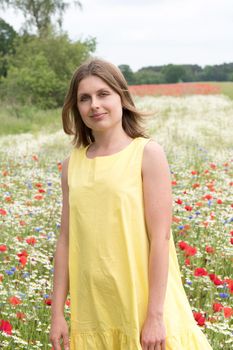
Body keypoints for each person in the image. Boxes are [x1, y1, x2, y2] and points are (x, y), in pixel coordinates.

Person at [49, 58, 213, 350]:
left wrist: (155, 316)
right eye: (84, 98)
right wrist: (57, 313)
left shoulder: (147, 154)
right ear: (76, 108)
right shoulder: (70, 166)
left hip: (142, 306)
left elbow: (161, 239)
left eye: (103, 94)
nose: (94, 105)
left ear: (121, 97)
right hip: (94, 311)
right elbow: (65, 240)